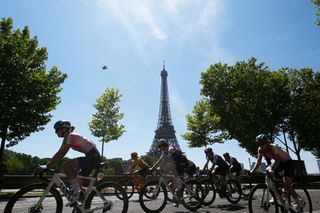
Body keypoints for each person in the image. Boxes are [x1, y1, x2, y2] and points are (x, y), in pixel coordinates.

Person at [38, 120, 100, 206]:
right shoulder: (67, 138)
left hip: (93, 157)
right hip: (90, 156)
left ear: (64, 129)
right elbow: (59, 152)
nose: (55, 132)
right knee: (77, 182)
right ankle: (83, 204)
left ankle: (77, 194)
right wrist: (48, 164)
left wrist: (47, 166)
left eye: (57, 130)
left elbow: (62, 154)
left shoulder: (71, 136)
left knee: (67, 166)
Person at [250, 134, 305, 211]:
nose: (261, 146)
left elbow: (278, 160)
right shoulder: (260, 150)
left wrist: (272, 170)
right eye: (259, 144)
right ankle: (278, 194)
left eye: (262, 143)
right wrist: (252, 170)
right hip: (279, 163)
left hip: (287, 163)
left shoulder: (273, 147)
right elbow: (258, 162)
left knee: (286, 184)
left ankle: (299, 201)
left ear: (267, 142)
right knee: (268, 172)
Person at [150, 139, 183, 207]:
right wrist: (154, 168)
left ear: (164, 145)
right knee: (164, 170)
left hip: (180, 165)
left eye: (160, 146)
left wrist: (153, 168)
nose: (159, 148)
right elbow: (161, 161)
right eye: (159, 147)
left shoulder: (170, 150)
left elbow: (161, 161)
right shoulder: (164, 152)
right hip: (171, 165)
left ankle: (180, 186)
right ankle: (176, 197)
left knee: (172, 168)